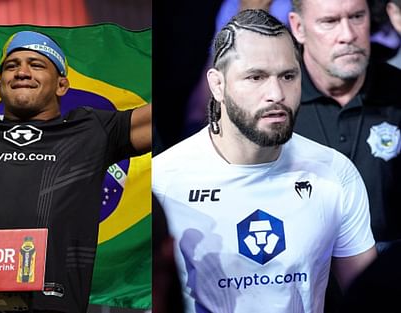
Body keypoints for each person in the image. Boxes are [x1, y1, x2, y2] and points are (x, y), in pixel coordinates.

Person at [0, 31, 151, 313]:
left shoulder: (94, 130)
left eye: (36, 64)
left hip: (55, 306)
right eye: (12, 66)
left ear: (62, 85)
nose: (22, 72)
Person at [152, 9, 376, 313]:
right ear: (217, 85)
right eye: (255, 77)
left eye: (288, 76)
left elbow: (371, 298)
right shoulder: (163, 180)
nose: (276, 94)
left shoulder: (336, 173)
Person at [288, 0, 401, 251]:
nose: (348, 35)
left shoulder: (398, 92)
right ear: (298, 28)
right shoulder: (277, 104)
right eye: (329, 22)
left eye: (357, 17)